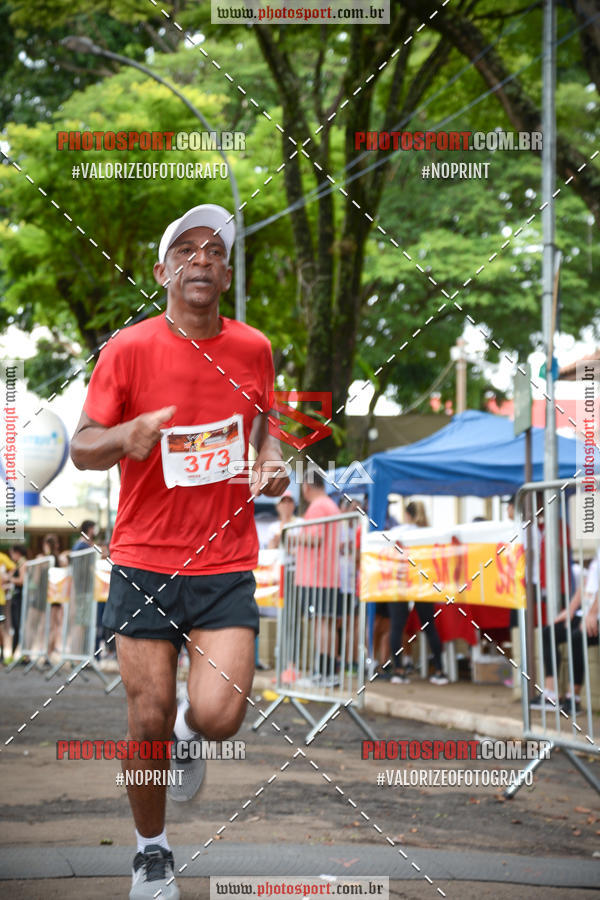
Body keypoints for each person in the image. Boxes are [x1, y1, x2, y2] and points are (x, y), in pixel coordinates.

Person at [70, 203, 288, 900]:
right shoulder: (127, 349)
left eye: (215, 252)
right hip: (143, 558)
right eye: (187, 250)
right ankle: (151, 853)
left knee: (220, 716)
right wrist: (124, 436)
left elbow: (265, 433)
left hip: (224, 559)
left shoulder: (255, 348)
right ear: (163, 272)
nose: (203, 258)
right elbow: (81, 447)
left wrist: (272, 463)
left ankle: (192, 735)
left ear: (225, 275)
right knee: (146, 715)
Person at [532, 546, 600, 714]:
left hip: (594, 616)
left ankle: (573, 698)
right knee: (550, 632)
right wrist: (570, 609)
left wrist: (592, 614)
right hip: (585, 613)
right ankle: (551, 694)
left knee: (578, 638)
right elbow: (587, 583)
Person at [388, 501, 448, 685]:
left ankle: (398, 670)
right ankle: (439, 670)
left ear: (407, 514)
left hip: (401, 582)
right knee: (430, 626)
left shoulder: (399, 532)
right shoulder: (428, 533)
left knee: (396, 628)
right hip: (423, 583)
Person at [294, 471, 343, 683]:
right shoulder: (332, 505)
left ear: (306, 486)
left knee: (320, 624)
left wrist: (294, 535)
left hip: (315, 576)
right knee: (328, 623)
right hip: (330, 575)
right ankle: (329, 671)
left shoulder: (317, 507)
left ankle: (322, 672)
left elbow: (313, 538)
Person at [39, 534, 65, 663]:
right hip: (56, 596)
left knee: (50, 626)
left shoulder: (48, 559)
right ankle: (49, 652)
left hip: (51, 596)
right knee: (53, 625)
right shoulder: (57, 558)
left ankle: (48, 653)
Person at [6, 545, 28, 656]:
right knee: (16, 626)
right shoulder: (18, 564)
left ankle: (19, 654)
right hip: (16, 598)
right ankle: (16, 654)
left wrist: (9, 578)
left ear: (17, 553)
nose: (11, 557)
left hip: (20, 599)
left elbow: (21, 581)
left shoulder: (23, 564)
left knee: (18, 626)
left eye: (12, 554)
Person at [0, 548, 16, 662]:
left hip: (0, 599)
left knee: (1, 627)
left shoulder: (2, 557)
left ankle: (2, 653)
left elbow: (13, 568)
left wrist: (6, 579)